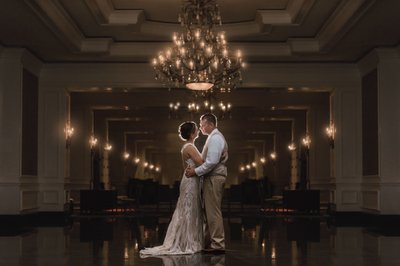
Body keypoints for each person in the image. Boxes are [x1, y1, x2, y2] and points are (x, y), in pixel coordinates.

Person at [140, 121, 204, 256]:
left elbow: (186, 167)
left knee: (188, 209)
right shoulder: (190, 147)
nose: (198, 130)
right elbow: (202, 163)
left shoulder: (187, 146)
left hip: (189, 180)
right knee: (188, 209)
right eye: (196, 129)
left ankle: (187, 240)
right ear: (192, 133)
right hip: (191, 181)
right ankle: (187, 242)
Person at [185, 113, 228, 254]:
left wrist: (195, 172)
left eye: (202, 124)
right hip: (212, 177)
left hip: (214, 177)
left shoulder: (215, 138)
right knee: (210, 211)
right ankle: (211, 242)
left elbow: (211, 162)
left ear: (210, 124)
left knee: (213, 211)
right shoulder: (213, 137)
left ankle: (218, 245)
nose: (201, 127)